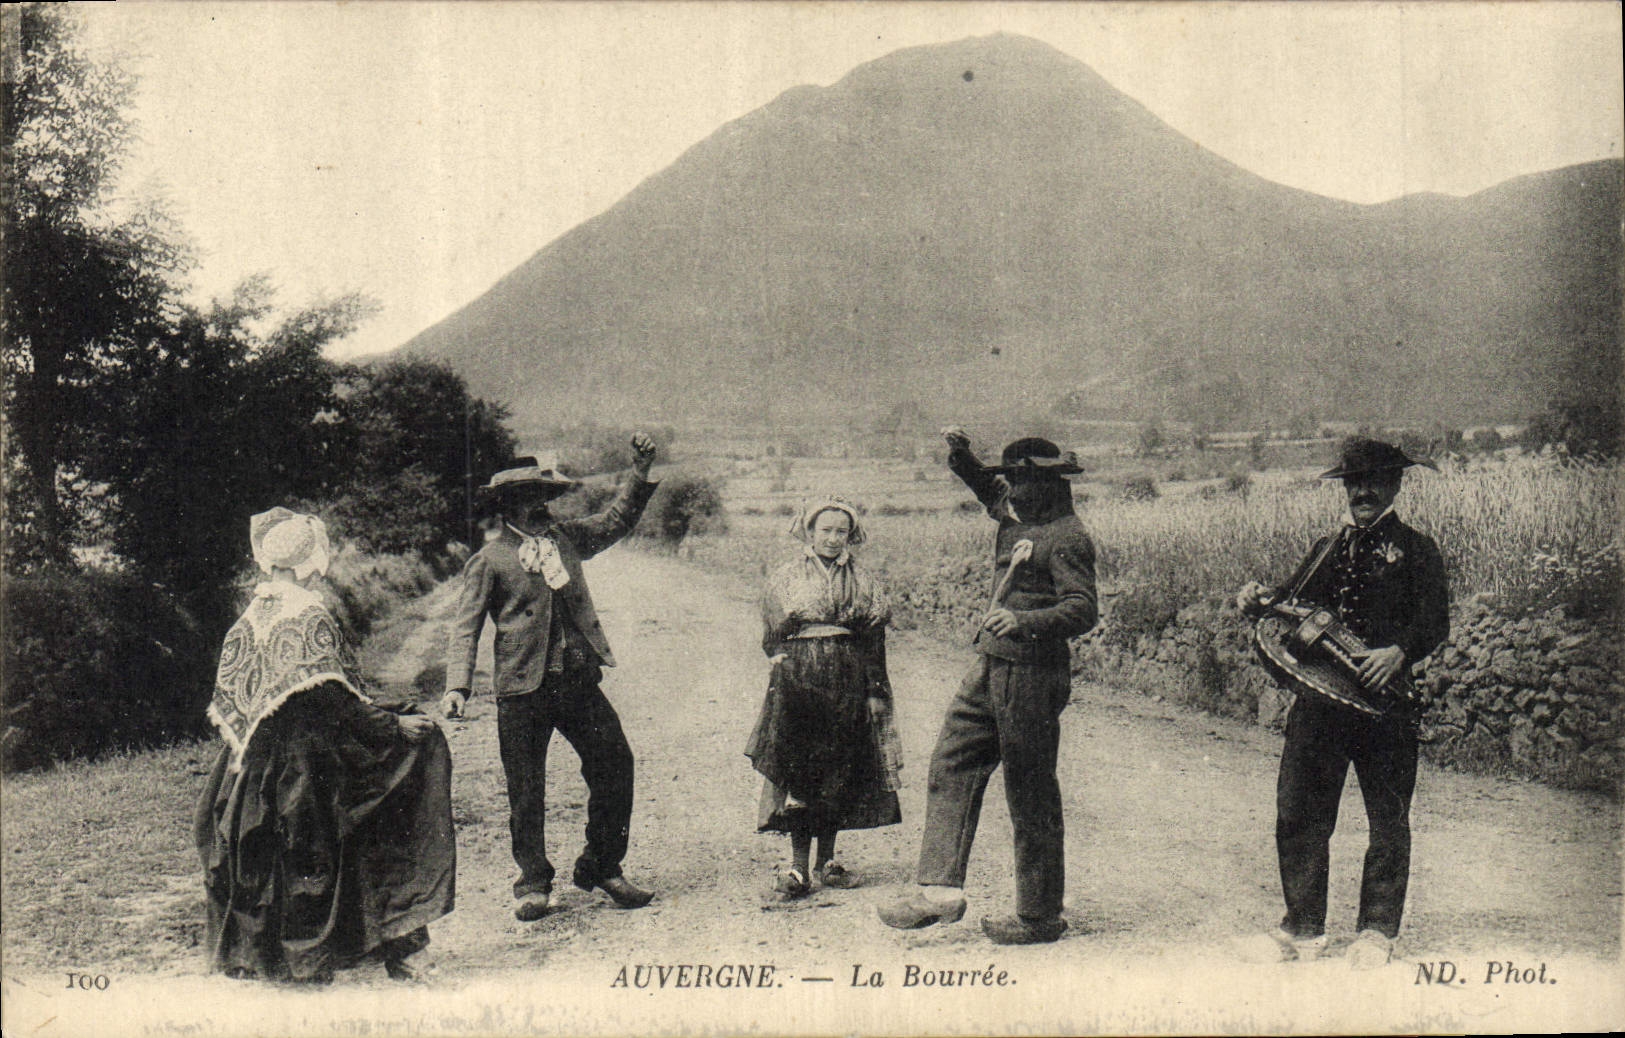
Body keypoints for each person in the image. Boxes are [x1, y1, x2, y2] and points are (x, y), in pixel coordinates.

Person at [194, 508, 455, 984]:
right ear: (307, 563)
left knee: (270, 853)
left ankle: (276, 959)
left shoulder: (248, 618)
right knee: (362, 826)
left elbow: (241, 701)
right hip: (307, 756)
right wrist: (394, 726)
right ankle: (383, 946)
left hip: (253, 761)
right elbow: (335, 700)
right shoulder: (308, 613)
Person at [1234, 436, 1449, 969]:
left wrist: (1399, 651)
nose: (1362, 492)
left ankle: (1377, 932)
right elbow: (1288, 604)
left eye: (1373, 481)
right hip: (1321, 702)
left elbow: (1435, 621)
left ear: (1394, 484)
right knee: (1298, 810)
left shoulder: (1418, 550)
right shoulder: (1326, 547)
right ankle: (1302, 928)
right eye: (1354, 482)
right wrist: (1256, 601)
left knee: (1388, 817)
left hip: (1386, 706)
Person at [879, 429, 1097, 945]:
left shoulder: (1068, 535)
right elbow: (986, 488)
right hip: (990, 666)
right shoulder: (1016, 512)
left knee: (1029, 791)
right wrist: (962, 456)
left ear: (1051, 484)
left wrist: (1024, 621)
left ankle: (1039, 916)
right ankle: (939, 891)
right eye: (1011, 480)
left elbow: (1083, 609)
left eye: (1022, 481)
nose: (1012, 490)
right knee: (951, 761)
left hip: (1033, 675)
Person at [442, 435, 659, 920]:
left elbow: (617, 520)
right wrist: (457, 686)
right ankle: (533, 883)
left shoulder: (568, 540)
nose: (540, 505)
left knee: (615, 764)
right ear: (506, 506)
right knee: (526, 789)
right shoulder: (489, 561)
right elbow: (465, 628)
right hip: (522, 690)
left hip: (578, 682)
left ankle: (602, 866)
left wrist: (639, 471)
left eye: (543, 495)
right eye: (528, 498)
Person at [746, 498, 904, 899]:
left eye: (841, 531)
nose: (833, 539)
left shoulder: (862, 579)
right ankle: (799, 867)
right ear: (810, 531)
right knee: (800, 771)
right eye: (826, 530)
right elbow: (771, 631)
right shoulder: (786, 576)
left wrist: (875, 691)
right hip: (799, 680)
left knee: (839, 770)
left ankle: (826, 862)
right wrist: (776, 654)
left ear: (851, 535)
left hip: (847, 679)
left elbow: (873, 639)